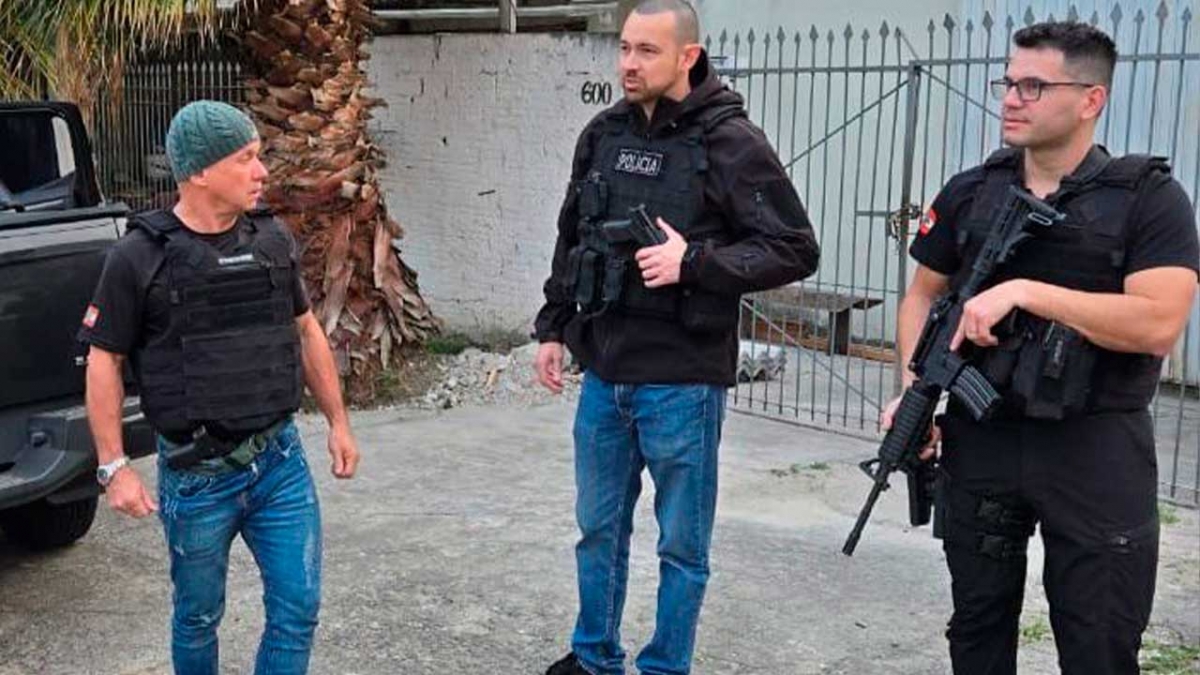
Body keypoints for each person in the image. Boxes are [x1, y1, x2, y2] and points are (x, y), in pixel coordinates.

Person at [887, 22, 1198, 675]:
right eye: (1007, 82)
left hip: (1094, 447)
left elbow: (1157, 323)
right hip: (984, 435)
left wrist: (1027, 291)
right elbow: (920, 296)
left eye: (1033, 86)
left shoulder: (1149, 200)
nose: (1011, 98)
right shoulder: (974, 191)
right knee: (976, 629)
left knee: (1098, 643)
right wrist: (914, 391)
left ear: (1091, 100)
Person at [533, 1, 820, 673]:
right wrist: (553, 326)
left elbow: (795, 247)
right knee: (597, 531)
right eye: (625, 48)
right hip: (604, 372)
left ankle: (666, 665)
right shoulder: (603, 133)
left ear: (688, 57)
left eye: (647, 51)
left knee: (681, 548)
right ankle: (593, 657)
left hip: (682, 381)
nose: (629, 64)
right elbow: (572, 235)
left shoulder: (731, 143)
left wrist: (694, 262)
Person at [80, 100, 360, 675]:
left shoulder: (272, 239)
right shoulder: (137, 257)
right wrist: (113, 466)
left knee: (298, 610)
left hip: (279, 463)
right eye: (246, 158)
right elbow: (104, 360)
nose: (261, 172)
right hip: (197, 477)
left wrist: (338, 422)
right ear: (201, 171)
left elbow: (306, 328)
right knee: (198, 616)